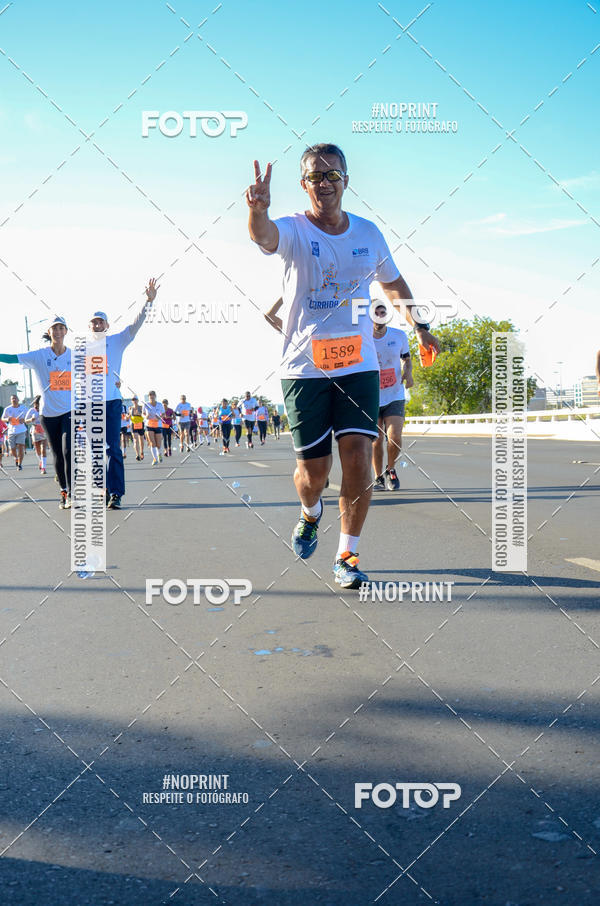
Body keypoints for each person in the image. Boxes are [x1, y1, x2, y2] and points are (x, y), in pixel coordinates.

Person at [247, 143, 439, 588]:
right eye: (316, 176)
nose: (325, 182)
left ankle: (347, 556)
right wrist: (257, 210)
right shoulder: (293, 229)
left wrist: (420, 325)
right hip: (304, 368)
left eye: (332, 174)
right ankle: (310, 512)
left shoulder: (368, 233)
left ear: (346, 180)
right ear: (304, 184)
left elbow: (393, 283)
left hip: (357, 364)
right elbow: (264, 237)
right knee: (313, 476)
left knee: (356, 457)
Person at [89, 276, 159, 509]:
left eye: (101, 322)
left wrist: (148, 302)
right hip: (90, 404)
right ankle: (102, 489)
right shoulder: (83, 348)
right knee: (94, 450)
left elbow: (135, 325)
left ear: (106, 326)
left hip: (111, 402)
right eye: (94, 323)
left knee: (112, 448)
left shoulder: (117, 341)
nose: (97, 325)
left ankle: (116, 493)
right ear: (90, 327)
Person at [0, 317, 73, 506]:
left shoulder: (74, 356)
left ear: (66, 331)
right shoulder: (39, 355)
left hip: (69, 411)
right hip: (48, 414)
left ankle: (72, 492)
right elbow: (12, 358)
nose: (58, 331)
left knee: (68, 450)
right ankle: (63, 491)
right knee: (57, 453)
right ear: (49, 332)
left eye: (61, 328)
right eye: (54, 328)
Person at [371, 302, 413, 491]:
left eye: (383, 312)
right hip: (371, 396)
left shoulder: (399, 336)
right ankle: (378, 476)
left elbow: (407, 359)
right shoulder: (363, 338)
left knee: (394, 437)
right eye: (376, 312)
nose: (380, 315)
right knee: (377, 440)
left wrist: (408, 372)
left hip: (395, 394)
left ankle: (391, 470)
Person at [2, 394, 27, 471]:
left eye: (15, 398)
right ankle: (16, 458)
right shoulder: (7, 409)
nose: (14, 400)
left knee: (20, 447)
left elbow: (28, 417)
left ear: (18, 399)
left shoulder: (23, 408)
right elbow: (2, 418)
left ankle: (19, 464)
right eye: (12, 399)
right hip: (11, 431)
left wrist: (24, 420)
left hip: (21, 430)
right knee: (12, 449)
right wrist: (7, 419)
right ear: (10, 400)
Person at [25, 395, 48, 473]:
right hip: (35, 431)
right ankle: (41, 461)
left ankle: (43, 468)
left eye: (37, 404)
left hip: (44, 431)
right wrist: (31, 419)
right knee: (38, 450)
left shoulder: (45, 409)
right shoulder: (31, 410)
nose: (36, 406)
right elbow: (26, 421)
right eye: (35, 404)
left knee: (43, 449)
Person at [143, 391, 165, 465]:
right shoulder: (146, 404)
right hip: (149, 425)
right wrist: (146, 416)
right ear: (148, 397)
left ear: (155, 396)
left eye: (153, 395)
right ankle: (155, 459)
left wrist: (159, 417)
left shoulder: (159, 404)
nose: (151, 396)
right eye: (150, 395)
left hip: (158, 425)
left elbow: (163, 413)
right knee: (152, 443)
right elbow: (143, 413)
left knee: (158, 444)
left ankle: (159, 454)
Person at [129, 396, 145, 461]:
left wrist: (140, 414)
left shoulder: (141, 407)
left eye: (135, 399)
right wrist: (127, 417)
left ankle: (141, 451)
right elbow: (129, 416)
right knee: (135, 440)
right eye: (133, 400)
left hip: (140, 424)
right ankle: (137, 454)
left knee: (141, 440)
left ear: (138, 400)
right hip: (134, 424)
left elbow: (144, 414)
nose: (134, 401)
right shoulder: (130, 408)